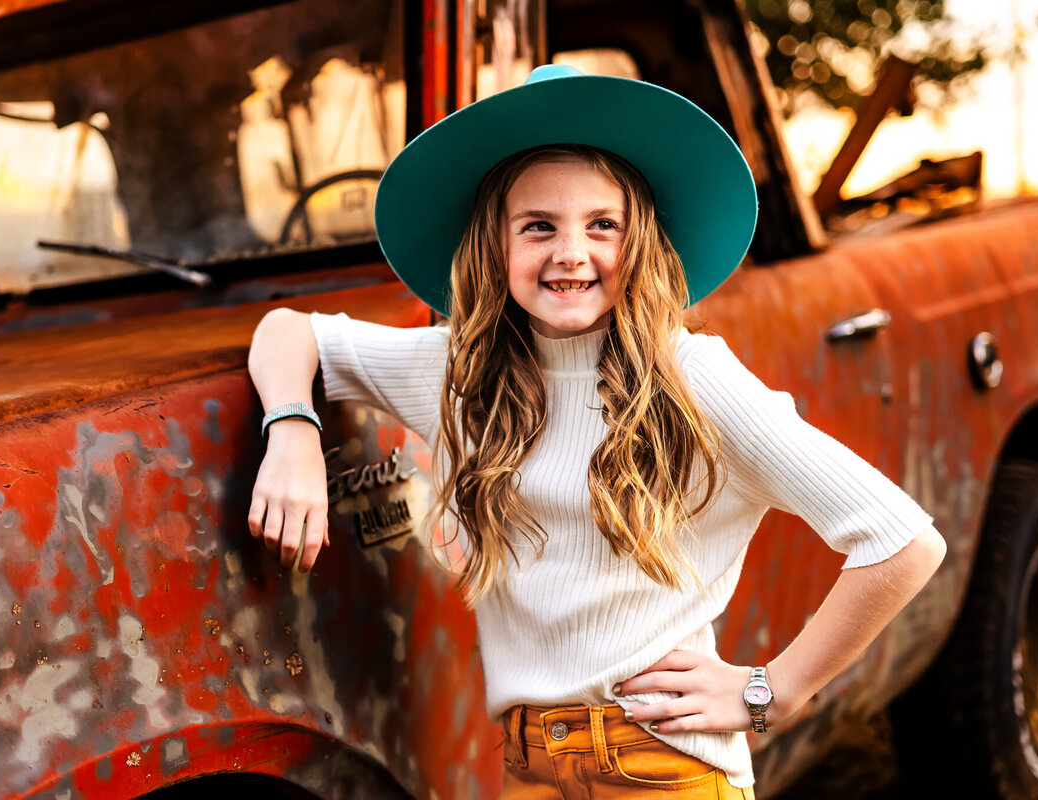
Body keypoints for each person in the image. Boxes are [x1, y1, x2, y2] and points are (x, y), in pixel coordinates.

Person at [247, 64, 946, 799]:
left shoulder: (690, 376)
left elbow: (901, 540)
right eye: (539, 226)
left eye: (601, 225)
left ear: (638, 239)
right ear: (496, 245)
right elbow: (288, 331)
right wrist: (290, 429)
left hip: (660, 766)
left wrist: (771, 691)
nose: (571, 252)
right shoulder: (459, 369)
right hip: (527, 768)